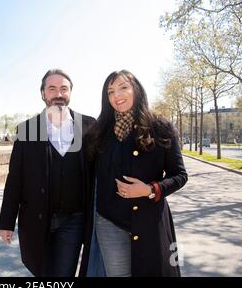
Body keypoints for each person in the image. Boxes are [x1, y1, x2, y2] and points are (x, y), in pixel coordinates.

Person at [80, 70, 188, 277]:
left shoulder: (160, 127)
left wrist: (150, 189)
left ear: (136, 90)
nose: (116, 95)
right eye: (110, 91)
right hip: (108, 222)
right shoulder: (98, 132)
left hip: (149, 221)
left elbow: (179, 175)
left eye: (123, 87)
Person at [0, 69, 96, 277]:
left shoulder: (89, 125)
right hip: (35, 218)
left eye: (63, 89)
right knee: (41, 271)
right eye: (52, 89)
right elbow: (15, 179)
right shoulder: (27, 129)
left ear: (70, 93)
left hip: (74, 219)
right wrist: (6, 222)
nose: (58, 94)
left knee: (64, 273)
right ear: (43, 93)